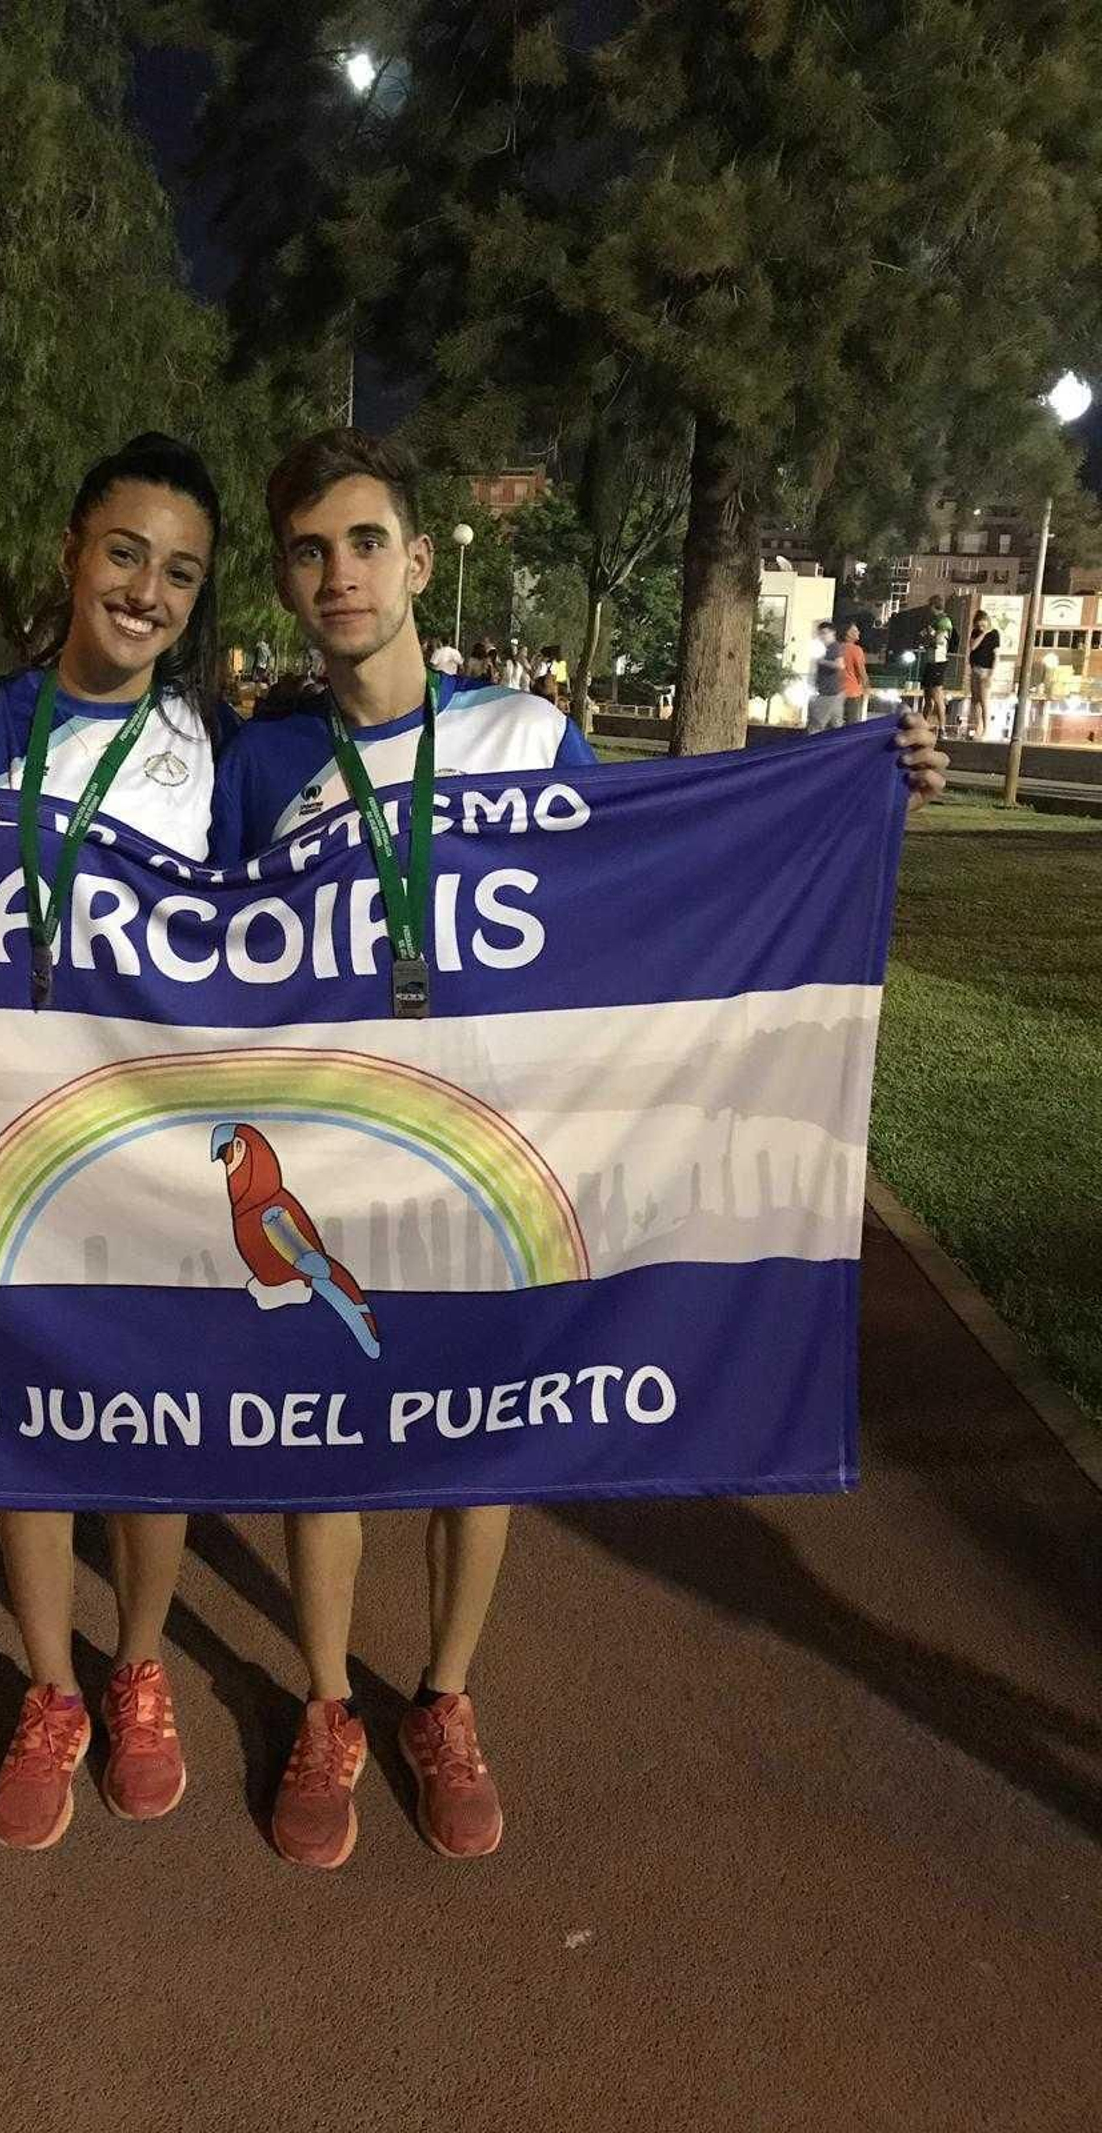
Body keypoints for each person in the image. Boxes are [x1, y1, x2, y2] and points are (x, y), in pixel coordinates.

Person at [207, 425, 948, 1873]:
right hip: (330, 1146)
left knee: (479, 1433)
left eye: (366, 542)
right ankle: (320, 1704)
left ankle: (440, 1695)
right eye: (310, 550)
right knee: (325, 1441)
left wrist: (864, 785)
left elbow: (653, 881)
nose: (341, 572)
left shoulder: (523, 737)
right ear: (286, 582)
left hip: (496, 1146)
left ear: (417, 561)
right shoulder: (263, 763)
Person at [0, 431, 234, 1851]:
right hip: (2, 1147)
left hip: (157, 1153)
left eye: (180, 571)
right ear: (71, 552)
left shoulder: (221, 748)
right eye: (124, 552)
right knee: (26, 1427)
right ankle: (49, 1683)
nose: (146, 589)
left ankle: (138, 1662)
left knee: (151, 1430)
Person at [918, 595, 956, 732]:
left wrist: (930, 634)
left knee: (937, 695)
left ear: (933, 606)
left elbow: (939, 641)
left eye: (930, 607)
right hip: (930, 661)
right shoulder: (935, 621)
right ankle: (922, 725)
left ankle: (942, 727)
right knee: (927, 697)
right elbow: (923, 637)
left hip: (938, 662)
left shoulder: (944, 621)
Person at [806, 622, 845, 733]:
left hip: (826, 693)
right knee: (837, 728)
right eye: (820, 634)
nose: (822, 636)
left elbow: (840, 665)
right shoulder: (827, 648)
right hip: (834, 692)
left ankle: (811, 749)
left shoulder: (833, 647)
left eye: (824, 633)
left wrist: (821, 661)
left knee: (815, 727)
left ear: (833, 633)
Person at [966, 610, 999, 738]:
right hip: (975, 668)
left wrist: (991, 675)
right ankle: (978, 727)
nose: (981, 628)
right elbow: (973, 646)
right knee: (975, 700)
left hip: (986, 671)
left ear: (987, 621)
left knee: (984, 700)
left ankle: (986, 729)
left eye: (983, 625)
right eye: (978, 626)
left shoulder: (994, 634)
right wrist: (982, 633)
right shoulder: (976, 633)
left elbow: (996, 656)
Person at [841, 623, 870, 724]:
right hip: (852, 692)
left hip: (835, 692)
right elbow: (861, 671)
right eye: (855, 631)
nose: (859, 632)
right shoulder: (856, 650)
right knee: (851, 724)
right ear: (848, 633)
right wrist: (867, 687)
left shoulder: (836, 648)